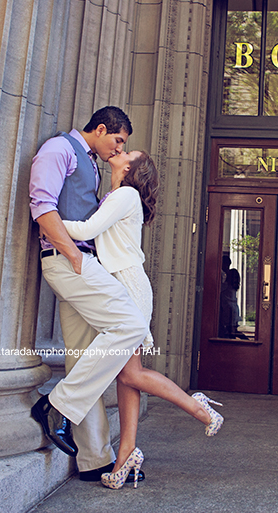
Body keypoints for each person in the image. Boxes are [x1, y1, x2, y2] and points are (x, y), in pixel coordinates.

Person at [61, 149, 224, 490]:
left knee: (129, 373)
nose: (119, 152)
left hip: (128, 286)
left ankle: (198, 408)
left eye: (127, 153)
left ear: (132, 169)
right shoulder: (122, 196)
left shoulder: (125, 194)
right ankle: (126, 456)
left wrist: (47, 221)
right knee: (127, 376)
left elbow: (88, 229)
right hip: (125, 284)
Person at [28, 106, 149, 483]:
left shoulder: (92, 164)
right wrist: (73, 256)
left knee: (83, 357)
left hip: (79, 262)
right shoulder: (59, 149)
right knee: (130, 325)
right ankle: (56, 406)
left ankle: (95, 458)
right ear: (100, 128)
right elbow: (42, 204)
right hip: (71, 261)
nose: (118, 149)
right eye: (118, 140)